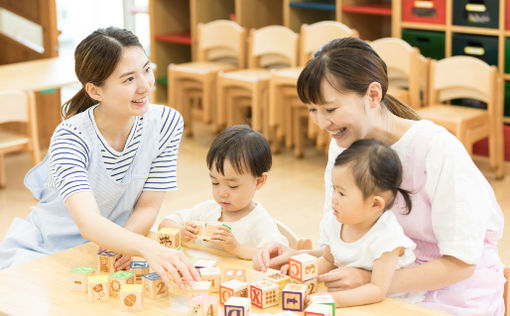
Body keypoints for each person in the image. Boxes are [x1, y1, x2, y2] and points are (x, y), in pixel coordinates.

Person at [253, 37, 505, 315]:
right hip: (383, 280)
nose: (322, 123)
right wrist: (297, 256)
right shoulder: (342, 147)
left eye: (330, 109)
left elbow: (462, 263)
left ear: (373, 95)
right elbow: (339, 245)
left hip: (454, 294)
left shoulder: (436, 150)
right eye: (312, 110)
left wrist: (372, 280)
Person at [0, 27, 199, 289]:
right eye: (129, 79)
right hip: (46, 251)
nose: (145, 85)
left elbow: (148, 205)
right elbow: (89, 223)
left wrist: (128, 246)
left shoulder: (167, 123)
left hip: (116, 245)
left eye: (147, 70)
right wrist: (148, 247)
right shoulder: (70, 138)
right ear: (95, 91)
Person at [286, 138, 422, 307]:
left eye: (342, 193)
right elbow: (328, 262)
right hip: (353, 294)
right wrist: (297, 276)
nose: (333, 198)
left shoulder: (386, 238)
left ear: (375, 204)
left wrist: (331, 301)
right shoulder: (335, 221)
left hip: (393, 302)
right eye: (334, 188)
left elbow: (377, 289)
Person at [158, 124, 288, 259]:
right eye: (215, 183)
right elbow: (164, 224)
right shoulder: (207, 210)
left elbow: (275, 255)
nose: (222, 193)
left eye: (232, 186)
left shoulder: (259, 221)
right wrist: (180, 232)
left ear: (259, 181)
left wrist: (237, 248)